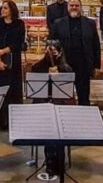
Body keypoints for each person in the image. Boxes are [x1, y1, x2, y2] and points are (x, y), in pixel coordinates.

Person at [30, 41, 73, 178]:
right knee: (49, 121)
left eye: (54, 52)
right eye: (49, 52)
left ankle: (59, 159)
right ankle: (50, 161)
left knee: (58, 122)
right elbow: (35, 92)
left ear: (60, 53)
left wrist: (59, 73)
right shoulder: (38, 67)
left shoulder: (66, 69)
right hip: (43, 105)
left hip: (61, 106)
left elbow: (68, 93)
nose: (51, 56)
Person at [49, 0, 101, 105]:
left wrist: (96, 66)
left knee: (84, 96)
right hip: (64, 63)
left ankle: (83, 117)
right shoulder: (58, 23)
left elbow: (96, 45)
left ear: (81, 8)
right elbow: (51, 41)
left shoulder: (90, 23)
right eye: (71, 5)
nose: (74, 7)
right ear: (68, 7)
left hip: (84, 63)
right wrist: (53, 50)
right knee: (63, 96)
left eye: (76, 5)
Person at [0, 0, 25, 129]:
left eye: (5, 8)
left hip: (12, 59)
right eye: (2, 8)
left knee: (12, 88)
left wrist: (3, 51)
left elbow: (19, 42)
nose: (2, 10)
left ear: (11, 10)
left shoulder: (19, 24)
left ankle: (11, 116)